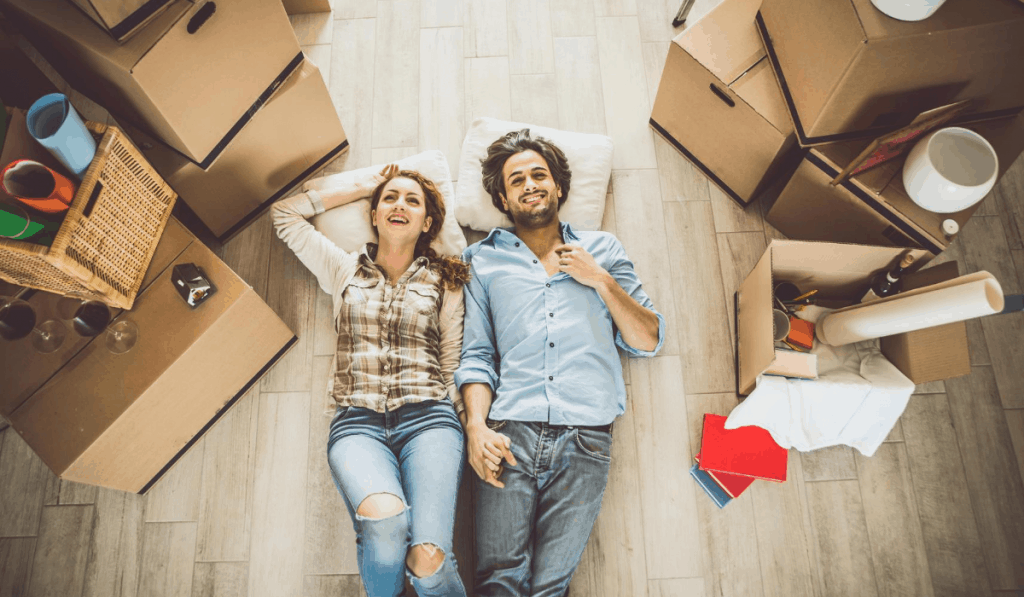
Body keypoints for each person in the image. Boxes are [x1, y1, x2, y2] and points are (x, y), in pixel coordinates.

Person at [455, 129, 666, 597]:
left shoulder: (603, 249)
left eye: (539, 174)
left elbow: (648, 339)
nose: (530, 184)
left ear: (559, 188)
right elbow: (476, 355)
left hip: (586, 437)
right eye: (517, 180)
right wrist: (475, 426)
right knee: (497, 583)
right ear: (503, 199)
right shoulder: (482, 261)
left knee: (551, 587)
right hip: (509, 432)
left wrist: (601, 281)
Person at [271, 166, 471, 597]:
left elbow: (451, 361)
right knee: (385, 522)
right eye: (391, 198)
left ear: (428, 223)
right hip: (357, 425)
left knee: (429, 559)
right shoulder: (343, 269)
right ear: (375, 215)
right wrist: (365, 187)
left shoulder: (447, 281)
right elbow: (284, 215)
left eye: (412, 201)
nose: (400, 205)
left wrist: (467, 426)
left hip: (430, 421)